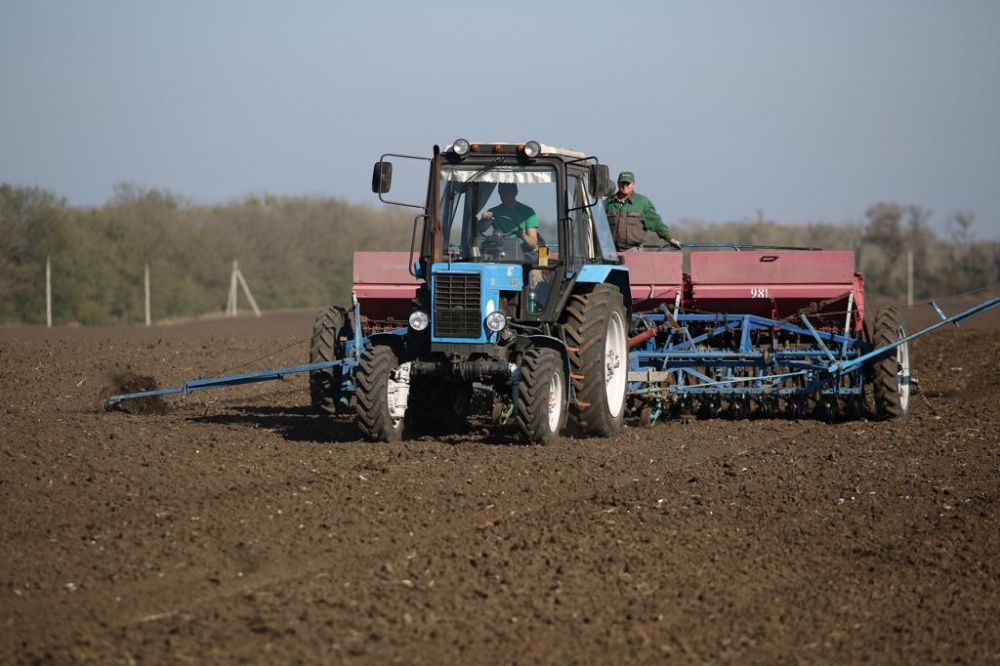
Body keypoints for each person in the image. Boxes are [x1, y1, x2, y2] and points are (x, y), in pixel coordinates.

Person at [604, 171, 681, 251]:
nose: (625, 186)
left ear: (634, 185)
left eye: (627, 183)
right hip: (610, 251)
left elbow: (657, 224)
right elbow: (595, 223)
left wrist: (670, 239)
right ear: (618, 184)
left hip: (634, 250)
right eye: (622, 183)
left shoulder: (642, 203)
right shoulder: (607, 203)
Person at [477, 183, 539, 251]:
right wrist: (485, 219)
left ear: (515, 192)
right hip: (499, 252)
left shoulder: (528, 212)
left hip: (523, 255)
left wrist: (522, 235)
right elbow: (481, 229)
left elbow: (533, 244)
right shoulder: (493, 212)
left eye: (508, 192)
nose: (505, 195)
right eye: (501, 192)